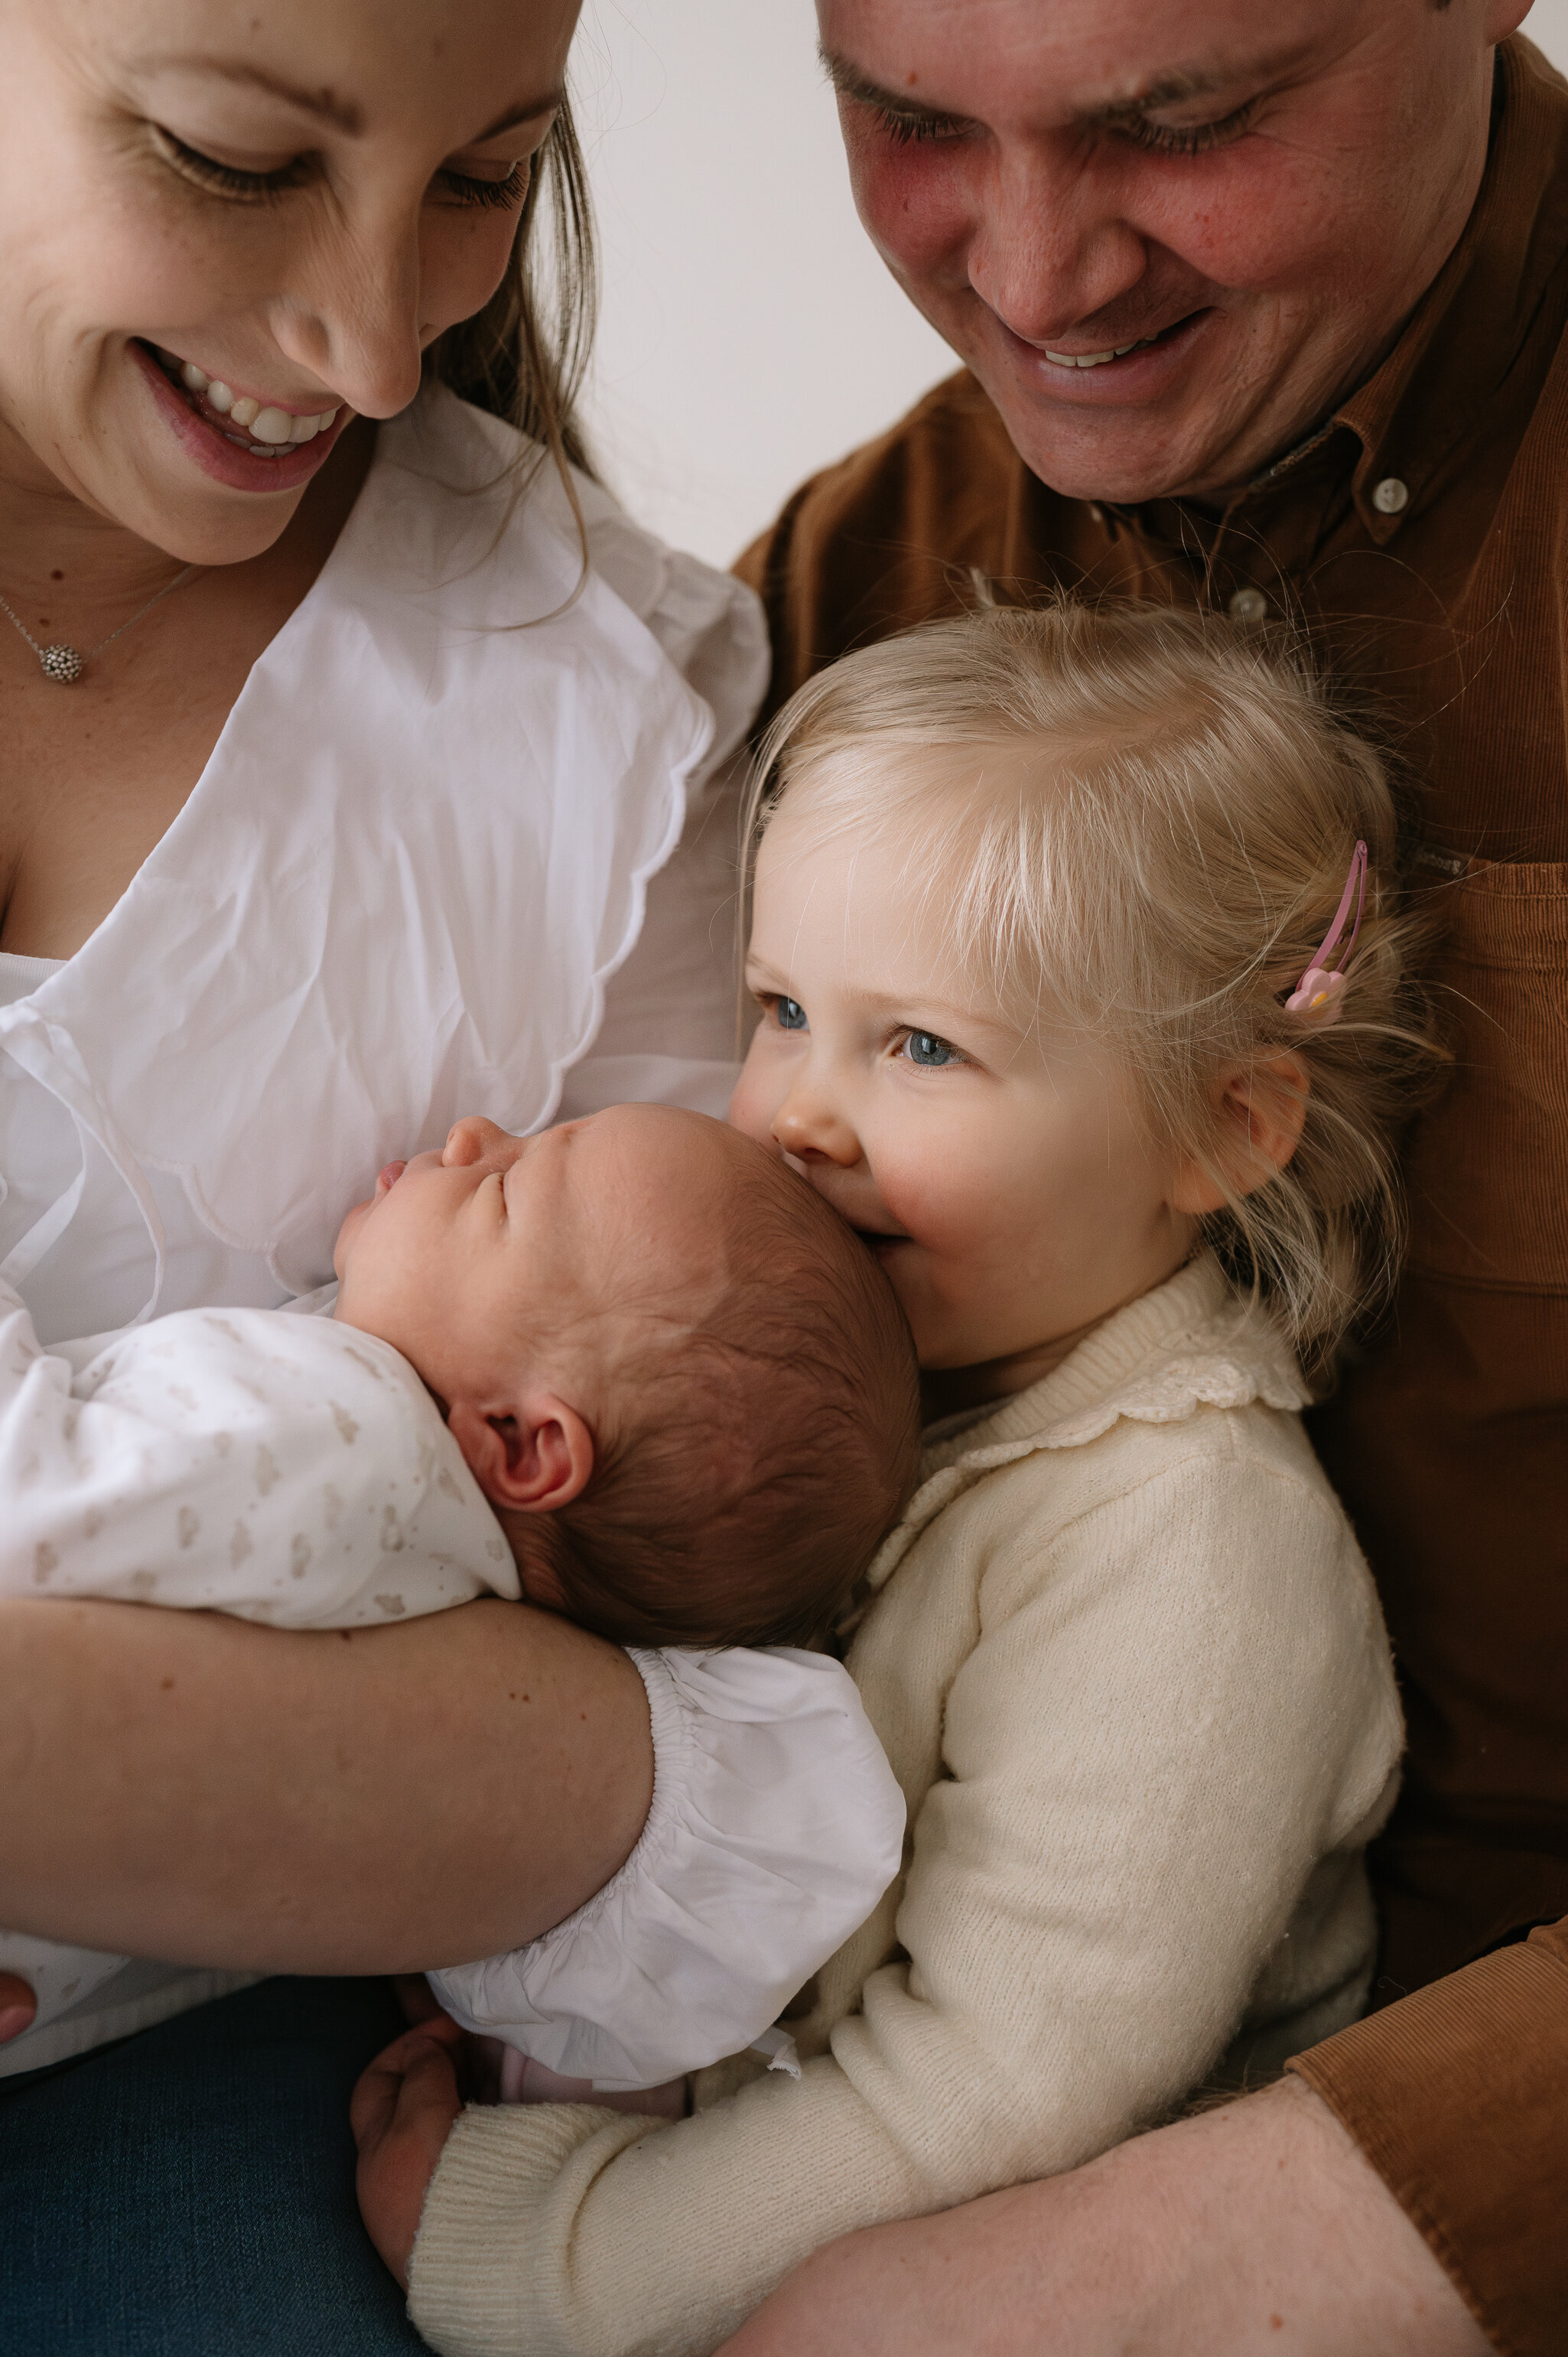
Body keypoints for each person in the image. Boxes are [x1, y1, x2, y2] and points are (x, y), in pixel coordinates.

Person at [714, 2, 1566, 2349]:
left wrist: (1176, 2260)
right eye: (902, 122)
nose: (1035, 276)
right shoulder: (854, 587)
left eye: (1181, 124)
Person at [352, 599, 1433, 2357]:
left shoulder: (1193, 1545)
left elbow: (987, 2093)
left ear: (1219, 1125)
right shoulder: (836, 1367)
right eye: (780, 1007)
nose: (795, 1113)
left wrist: (553, 2253)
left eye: (917, 1045)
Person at [0, 0, 793, 2346]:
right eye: (237, 159)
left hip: (191, 2049)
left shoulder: (599, 719)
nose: (366, 348)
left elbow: (651, 1675)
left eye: (483, 177)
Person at [0, 1101, 916, 2102]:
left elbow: (29, 1509)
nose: (476, 1130)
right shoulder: (428, 1579)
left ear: (521, 1443)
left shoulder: (344, 1423)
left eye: (504, 1191)